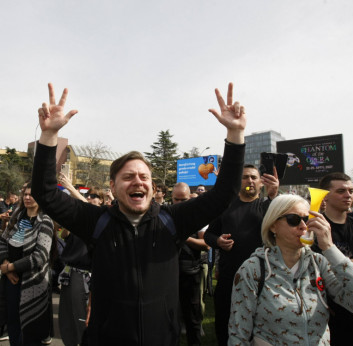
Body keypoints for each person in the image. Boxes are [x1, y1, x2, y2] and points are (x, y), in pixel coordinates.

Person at [31, 82, 246, 345]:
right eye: (128, 176)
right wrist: (49, 136)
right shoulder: (97, 222)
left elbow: (225, 192)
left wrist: (235, 135)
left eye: (144, 176)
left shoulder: (173, 220)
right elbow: (46, 193)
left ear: (152, 186)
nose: (138, 181)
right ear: (113, 186)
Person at [228, 194, 353, 345]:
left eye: (307, 219)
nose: (303, 226)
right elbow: (238, 334)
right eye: (293, 220)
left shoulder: (319, 263)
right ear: (273, 225)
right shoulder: (252, 269)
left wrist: (330, 249)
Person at [203, 164, 279, 346]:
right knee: (224, 322)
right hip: (230, 277)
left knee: (259, 326)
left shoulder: (269, 206)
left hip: (263, 279)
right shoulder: (225, 207)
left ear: (261, 182)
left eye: (254, 177)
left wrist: (275, 195)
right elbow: (208, 235)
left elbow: (286, 223)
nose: (250, 181)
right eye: (245, 177)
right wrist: (218, 241)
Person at [0, 183, 54, 346]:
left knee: (30, 327)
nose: (27, 197)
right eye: (25, 194)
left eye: (31, 195)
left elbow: (40, 256)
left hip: (33, 282)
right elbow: (3, 242)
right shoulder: (17, 217)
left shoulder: (45, 221)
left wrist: (10, 267)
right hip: (11, 281)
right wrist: (5, 264)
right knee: (12, 321)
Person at [316, 172, 353, 345]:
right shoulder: (315, 229)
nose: (348, 195)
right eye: (341, 191)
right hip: (331, 318)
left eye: (351, 191)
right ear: (325, 196)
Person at [57, 173, 98, 345]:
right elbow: (63, 233)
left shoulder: (100, 220)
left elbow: (90, 211)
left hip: (83, 275)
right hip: (68, 272)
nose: (92, 199)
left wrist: (70, 187)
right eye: (90, 196)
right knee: (66, 318)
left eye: (96, 197)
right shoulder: (80, 220)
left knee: (80, 318)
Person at [172, 182, 209, 346]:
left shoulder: (197, 216)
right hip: (168, 275)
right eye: (176, 200)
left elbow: (206, 244)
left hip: (191, 274)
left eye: (184, 200)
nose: (180, 203)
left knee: (192, 318)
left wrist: (184, 237)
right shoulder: (165, 216)